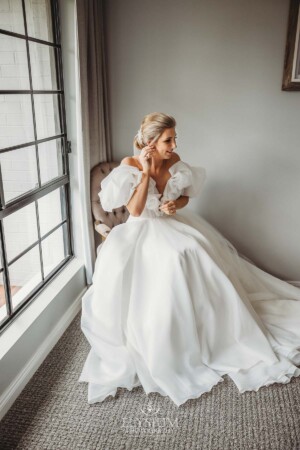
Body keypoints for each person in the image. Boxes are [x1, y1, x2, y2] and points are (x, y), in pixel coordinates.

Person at [78, 112, 300, 407]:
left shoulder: (175, 160)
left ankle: (213, 327)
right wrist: (145, 172)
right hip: (140, 230)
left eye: (174, 138)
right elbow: (134, 210)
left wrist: (174, 204)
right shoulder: (130, 165)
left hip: (169, 224)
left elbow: (185, 197)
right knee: (174, 258)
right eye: (168, 140)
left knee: (194, 249)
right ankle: (171, 335)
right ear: (151, 142)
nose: (173, 144)